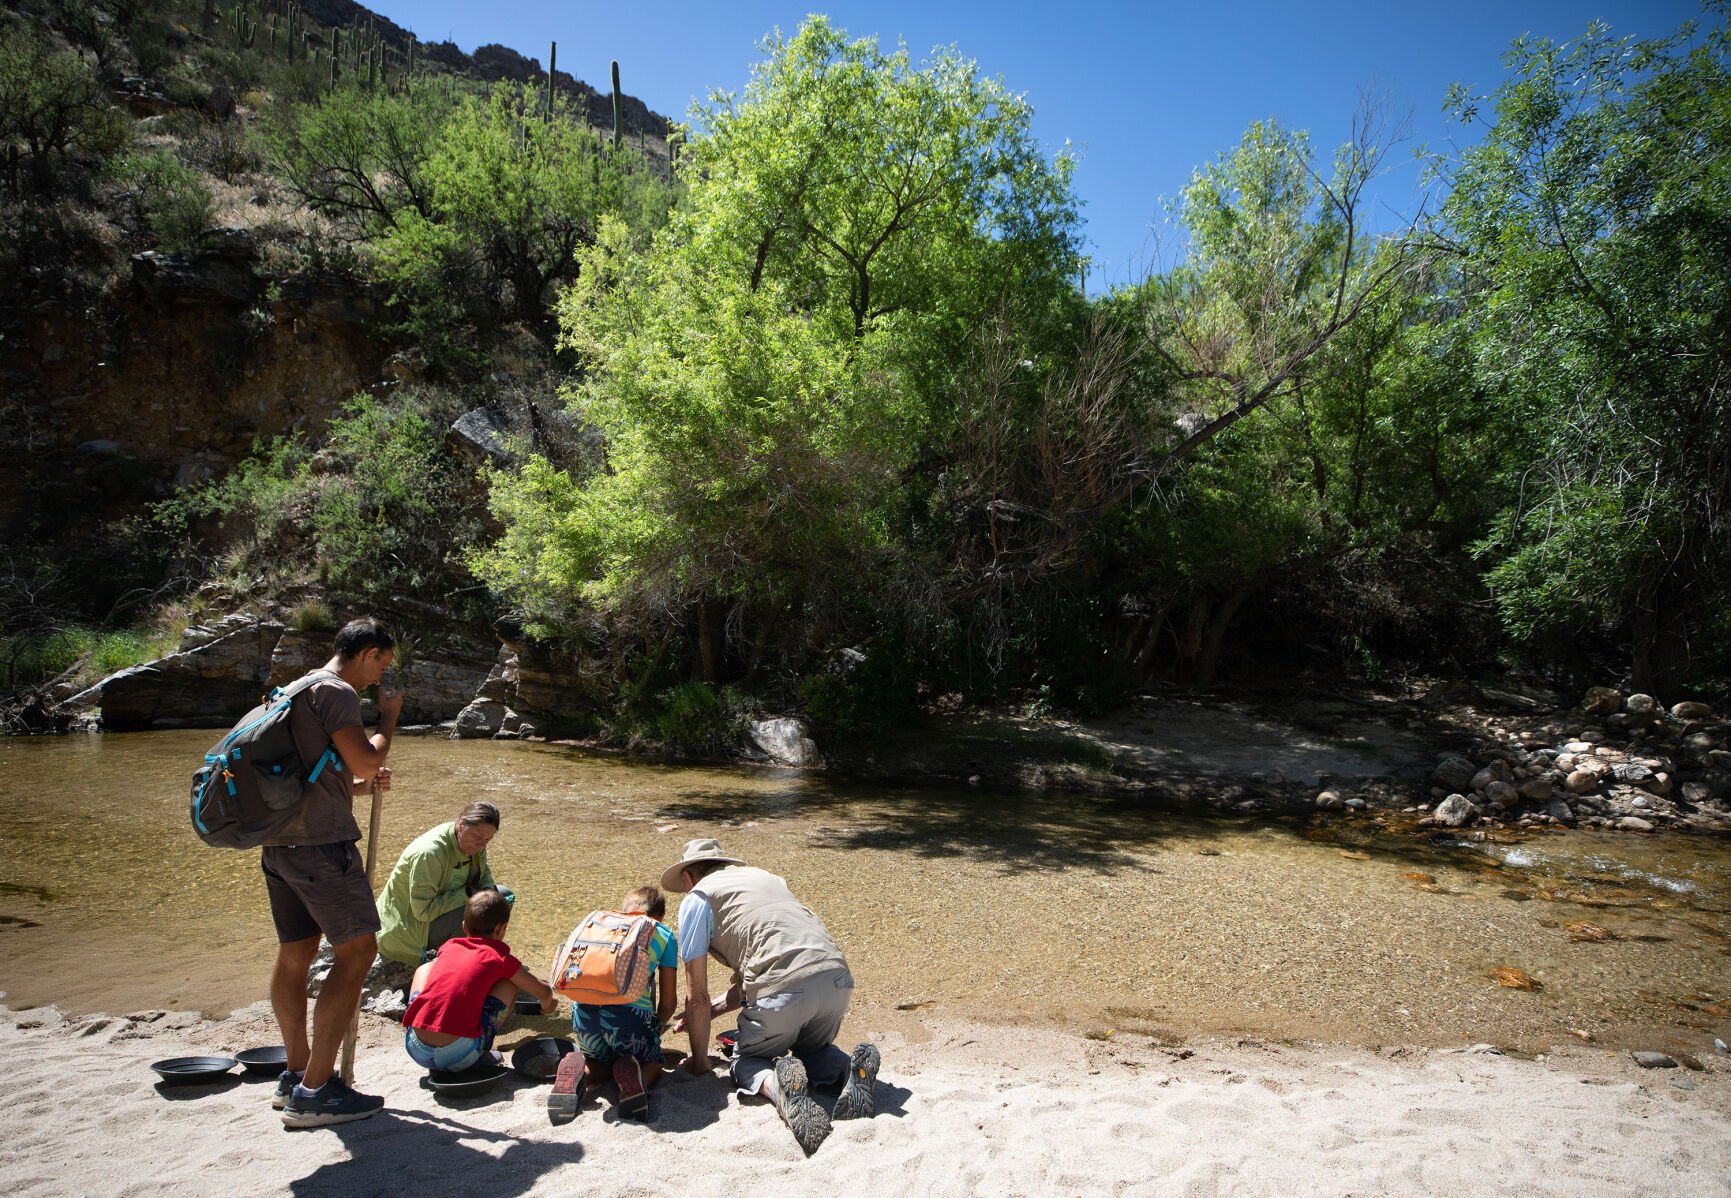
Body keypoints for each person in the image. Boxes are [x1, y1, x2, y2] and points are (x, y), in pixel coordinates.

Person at [263, 616, 402, 1129]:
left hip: (280, 843)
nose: (378, 678)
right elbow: (366, 762)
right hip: (322, 848)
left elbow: (322, 776)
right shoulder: (338, 692)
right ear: (366, 653)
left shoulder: (292, 690)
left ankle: (294, 1074)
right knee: (359, 951)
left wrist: (357, 790)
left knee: (295, 953)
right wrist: (387, 720)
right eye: (381, 665)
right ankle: (317, 1091)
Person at [662, 839, 879, 1155]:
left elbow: (696, 995)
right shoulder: (767, 879)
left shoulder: (698, 898)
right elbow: (771, 966)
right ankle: (850, 1072)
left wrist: (697, 1063)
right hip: (836, 981)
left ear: (688, 877)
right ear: (723, 864)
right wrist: (714, 1011)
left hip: (782, 993)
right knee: (813, 1049)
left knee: (746, 1060)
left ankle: (781, 1091)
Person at [557, 885, 679, 1122]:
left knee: (598, 1060)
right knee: (653, 1060)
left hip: (584, 1018)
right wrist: (657, 1026)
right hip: (629, 1022)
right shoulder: (662, 932)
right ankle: (637, 1078)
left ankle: (581, 1076)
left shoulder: (600, 926)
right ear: (659, 916)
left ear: (625, 911)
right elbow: (668, 1002)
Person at [402, 888, 556, 1073]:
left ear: (464, 926)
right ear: (501, 928)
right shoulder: (499, 957)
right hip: (459, 1054)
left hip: (416, 1047)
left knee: (425, 968)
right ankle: (480, 1054)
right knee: (510, 983)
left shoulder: (449, 946)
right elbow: (544, 992)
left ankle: (416, 1014)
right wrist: (548, 1005)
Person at [376, 802, 510, 966]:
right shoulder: (430, 854)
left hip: (439, 912)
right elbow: (423, 911)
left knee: (502, 898)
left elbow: (484, 874)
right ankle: (467, 965)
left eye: (488, 840)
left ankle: (482, 958)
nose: (482, 844)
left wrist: (488, 892)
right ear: (461, 825)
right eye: (478, 837)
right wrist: (467, 894)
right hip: (409, 931)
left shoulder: (474, 841)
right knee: (476, 914)